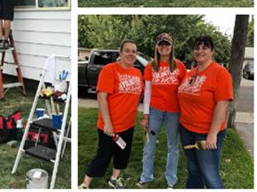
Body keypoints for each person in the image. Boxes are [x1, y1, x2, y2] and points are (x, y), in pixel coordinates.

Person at [80, 40, 143, 189]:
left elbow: (139, 94)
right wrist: (107, 123)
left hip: (128, 123)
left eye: (134, 51)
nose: (131, 54)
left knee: (123, 152)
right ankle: (85, 184)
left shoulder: (137, 73)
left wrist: (133, 110)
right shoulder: (110, 70)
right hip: (110, 125)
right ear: (120, 53)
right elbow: (102, 97)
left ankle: (114, 179)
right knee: (103, 155)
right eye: (127, 50)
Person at [177, 36, 233, 188]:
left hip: (206, 133)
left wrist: (213, 134)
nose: (200, 51)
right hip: (186, 130)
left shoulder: (220, 73)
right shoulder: (191, 73)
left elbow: (222, 105)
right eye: (197, 48)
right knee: (193, 169)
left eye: (204, 47)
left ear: (212, 51)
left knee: (210, 175)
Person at [137, 33, 186, 189]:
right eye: (161, 44)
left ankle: (171, 179)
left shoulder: (180, 66)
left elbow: (184, 91)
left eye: (167, 44)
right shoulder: (150, 66)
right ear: (157, 47)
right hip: (155, 111)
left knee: (173, 146)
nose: (164, 47)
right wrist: (145, 114)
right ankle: (146, 176)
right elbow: (148, 92)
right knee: (148, 143)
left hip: (174, 112)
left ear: (172, 47)